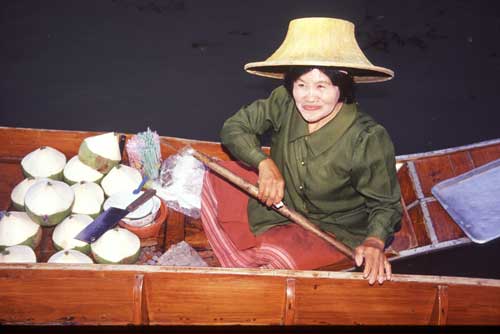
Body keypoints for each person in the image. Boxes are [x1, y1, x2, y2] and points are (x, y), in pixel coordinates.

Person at [215, 17, 402, 285]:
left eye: (322, 86)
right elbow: (234, 127)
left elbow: (385, 204)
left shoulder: (368, 138)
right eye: (301, 84)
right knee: (214, 178)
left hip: (335, 229)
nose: (309, 97)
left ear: (343, 87)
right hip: (283, 205)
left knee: (274, 270)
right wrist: (264, 164)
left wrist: (374, 240)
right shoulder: (284, 100)